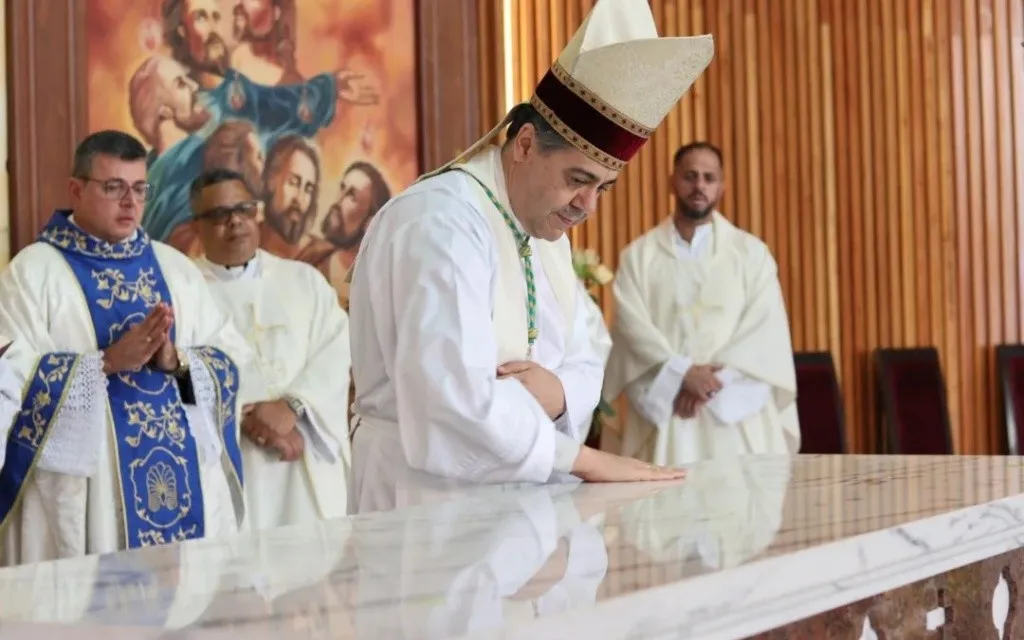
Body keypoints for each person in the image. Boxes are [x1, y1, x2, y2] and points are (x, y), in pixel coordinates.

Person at [346, 0, 715, 509]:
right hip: (422, 500)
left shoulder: (544, 233)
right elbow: (453, 405)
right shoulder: (441, 222)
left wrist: (560, 393)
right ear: (524, 145)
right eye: (578, 179)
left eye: (603, 189)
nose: (587, 206)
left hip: (520, 493)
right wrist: (584, 460)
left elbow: (590, 347)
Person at [0, 130, 251, 565]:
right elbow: (11, 387)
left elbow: (231, 361)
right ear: (76, 189)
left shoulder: (175, 268)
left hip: (182, 485)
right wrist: (107, 362)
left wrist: (178, 362)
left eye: (139, 188)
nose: (130, 202)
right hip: (88, 495)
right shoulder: (33, 274)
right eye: (113, 187)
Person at [603, 142, 800, 466]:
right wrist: (680, 375)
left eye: (709, 178)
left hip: (735, 412)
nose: (699, 186)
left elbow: (764, 330)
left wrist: (706, 383)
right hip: (667, 411)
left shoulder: (751, 255)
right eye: (690, 176)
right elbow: (631, 328)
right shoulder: (639, 257)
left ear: (722, 186)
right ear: (673, 181)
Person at [190, 168, 352, 528]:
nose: (235, 223)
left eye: (244, 209)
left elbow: (336, 350)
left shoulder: (303, 280)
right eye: (219, 215)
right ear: (197, 224)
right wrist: (253, 421)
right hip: (231, 465)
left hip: (304, 456)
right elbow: (182, 369)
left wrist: (292, 407)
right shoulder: (183, 288)